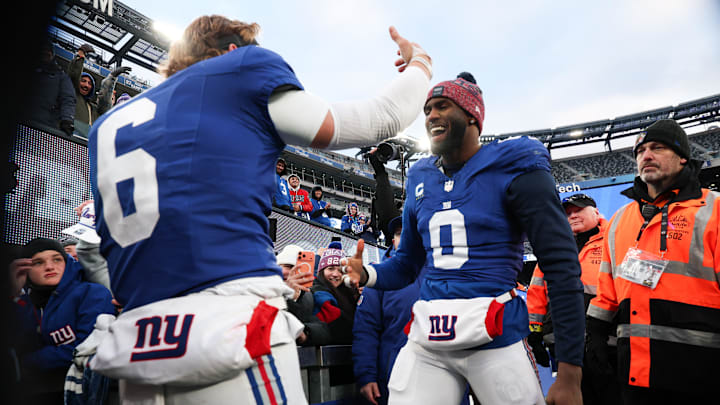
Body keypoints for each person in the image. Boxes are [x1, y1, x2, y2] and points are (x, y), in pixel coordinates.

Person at [86, 14, 432, 404]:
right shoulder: (240, 69)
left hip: (137, 343)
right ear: (233, 51)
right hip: (229, 327)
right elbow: (378, 118)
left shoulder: (106, 125)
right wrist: (420, 63)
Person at [344, 72, 585, 405]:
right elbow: (408, 263)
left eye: (442, 106)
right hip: (429, 339)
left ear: (472, 115)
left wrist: (570, 372)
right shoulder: (420, 176)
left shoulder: (513, 165)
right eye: (427, 109)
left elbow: (561, 266)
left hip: (493, 336)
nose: (431, 116)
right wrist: (368, 274)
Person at [586, 119, 720, 405]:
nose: (646, 155)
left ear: (683, 156)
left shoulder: (715, 210)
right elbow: (606, 288)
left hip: (703, 375)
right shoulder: (620, 219)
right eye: (640, 150)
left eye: (657, 147)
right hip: (636, 374)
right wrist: (595, 334)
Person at [526, 193, 619, 404]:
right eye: (567, 213)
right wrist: (534, 333)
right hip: (561, 341)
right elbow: (537, 291)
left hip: (606, 340)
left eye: (578, 210)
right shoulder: (553, 247)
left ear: (595, 212)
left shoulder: (614, 239)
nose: (573, 215)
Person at [8, 238, 115, 404]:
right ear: (26, 271)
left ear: (68, 263)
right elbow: (16, 345)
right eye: (38, 262)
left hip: (81, 393)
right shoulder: (25, 303)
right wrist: (14, 295)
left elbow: (85, 348)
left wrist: (25, 362)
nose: (50, 266)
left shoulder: (92, 292)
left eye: (57, 259)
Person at [19, 39, 76, 135]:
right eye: (43, 51)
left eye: (48, 51)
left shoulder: (60, 76)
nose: (45, 53)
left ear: (52, 55)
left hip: (45, 127)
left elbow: (68, 99)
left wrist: (67, 120)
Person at [276, 244, 328, 346]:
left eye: (299, 269)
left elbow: (324, 331)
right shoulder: (264, 291)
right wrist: (288, 298)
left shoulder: (308, 296)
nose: (293, 273)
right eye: (288, 267)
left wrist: (305, 333)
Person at [311, 247, 361, 344]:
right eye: (330, 269)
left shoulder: (348, 292)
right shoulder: (317, 292)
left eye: (340, 270)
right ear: (321, 271)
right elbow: (339, 325)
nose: (336, 274)